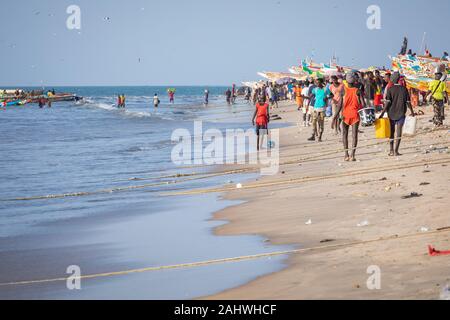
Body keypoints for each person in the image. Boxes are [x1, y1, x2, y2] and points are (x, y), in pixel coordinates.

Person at [379, 72, 416, 156]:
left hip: (391, 113)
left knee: (392, 132)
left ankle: (391, 150)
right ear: (398, 79)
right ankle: (396, 150)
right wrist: (412, 112)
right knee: (399, 132)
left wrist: (382, 113)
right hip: (401, 113)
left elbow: (388, 103)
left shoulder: (390, 89)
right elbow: (408, 102)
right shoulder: (404, 89)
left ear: (392, 79)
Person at [333, 73, 365, 161]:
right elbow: (363, 104)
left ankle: (346, 155)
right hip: (355, 115)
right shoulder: (358, 91)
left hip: (345, 116)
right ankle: (353, 155)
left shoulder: (343, 90)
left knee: (344, 135)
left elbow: (339, 105)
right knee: (354, 135)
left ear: (346, 81)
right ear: (354, 80)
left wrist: (334, 117)